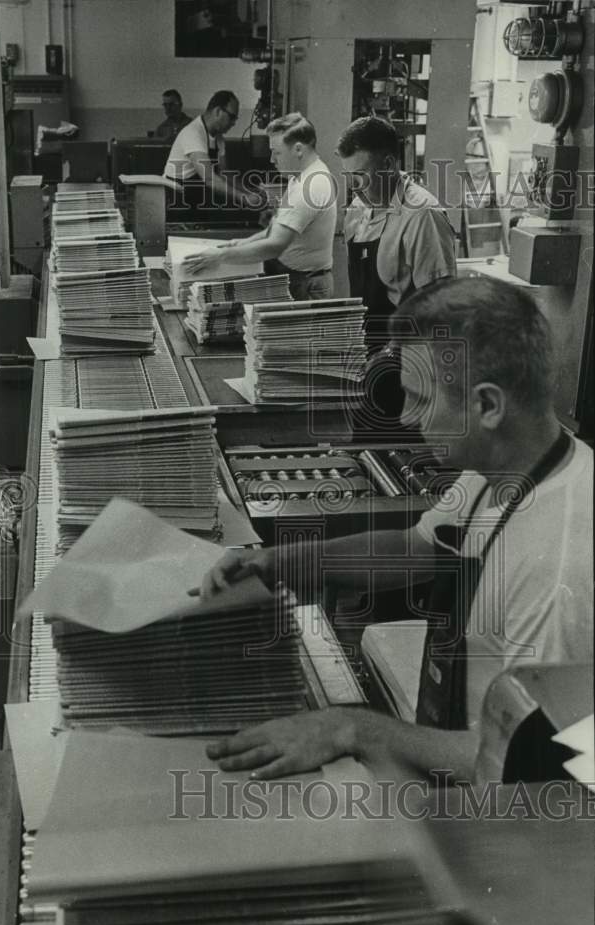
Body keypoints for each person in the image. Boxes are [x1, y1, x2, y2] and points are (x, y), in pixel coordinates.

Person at [196, 277, 593, 781]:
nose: (406, 417)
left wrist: (351, 728)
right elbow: (413, 549)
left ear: (488, 406)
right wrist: (280, 563)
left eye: (421, 399)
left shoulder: (562, 563)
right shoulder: (499, 472)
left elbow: (521, 762)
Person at [338, 116, 457, 422]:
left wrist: (391, 353)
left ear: (389, 164)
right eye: (350, 175)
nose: (354, 185)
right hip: (367, 360)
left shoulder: (421, 215)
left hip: (408, 366)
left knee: (398, 458)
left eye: (361, 174)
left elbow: (439, 303)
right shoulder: (357, 209)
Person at [183, 112, 337, 301]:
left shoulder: (310, 186)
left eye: (277, 152)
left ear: (298, 149)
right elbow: (276, 230)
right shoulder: (301, 177)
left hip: (306, 286)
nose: (272, 159)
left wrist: (220, 256)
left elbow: (274, 245)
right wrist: (239, 244)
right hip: (297, 278)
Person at [163, 89, 254, 209]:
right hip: (177, 200)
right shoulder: (193, 133)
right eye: (232, 117)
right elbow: (210, 179)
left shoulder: (219, 138)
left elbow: (225, 173)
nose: (233, 123)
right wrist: (244, 198)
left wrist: (250, 191)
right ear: (217, 111)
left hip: (197, 197)